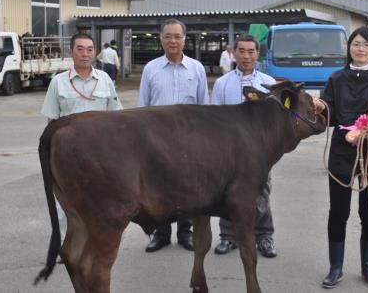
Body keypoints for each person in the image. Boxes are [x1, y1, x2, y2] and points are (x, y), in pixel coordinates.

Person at [314, 26, 368, 288]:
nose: (360, 49)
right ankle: (335, 267)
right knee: (338, 212)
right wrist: (319, 108)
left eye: (366, 45)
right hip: (342, 152)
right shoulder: (336, 79)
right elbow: (329, 113)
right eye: (356, 44)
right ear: (349, 48)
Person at [41, 33, 123, 252]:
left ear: (95, 53)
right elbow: (52, 122)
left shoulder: (105, 79)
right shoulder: (58, 82)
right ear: (71, 52)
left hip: (101, 156)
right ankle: (63, 247)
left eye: (89, 49)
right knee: (64, 205)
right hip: (69, 155)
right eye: (80, 49)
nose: (85, 54)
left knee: (100, 202)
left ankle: (95, 244)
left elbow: (116, 116)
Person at [138, 18, 209, 253]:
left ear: (184, 39)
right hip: (158, 140)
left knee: (187, 187)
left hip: (189, 139)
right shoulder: (151, 69)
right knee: (159, 188)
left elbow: (203, 107)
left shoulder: (197, 69)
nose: (173, 41)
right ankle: (161, 233)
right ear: (161, 39)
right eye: (168, 36)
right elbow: (143, 108)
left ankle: (185, 232)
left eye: (177, 36)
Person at [211, 34, 277, 258]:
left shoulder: (269, 83)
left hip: (260, 151)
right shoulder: (222, 83)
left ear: (257, 54)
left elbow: (275, 122)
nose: (246, 56)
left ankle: (264, 236)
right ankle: (228, 237)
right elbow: (215, 118)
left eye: (251, 51)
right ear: (234, 53)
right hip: (228, 152)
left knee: (261, 193)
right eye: (242, 51)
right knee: (227, 194)